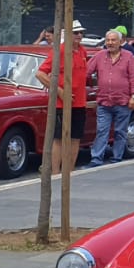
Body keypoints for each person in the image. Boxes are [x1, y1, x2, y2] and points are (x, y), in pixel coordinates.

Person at [36, 21, 89, 174]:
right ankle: (55, 172)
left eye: (81, 33)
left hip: (79, 102)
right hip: (60, 104)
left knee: (75, 137)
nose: (79, 35)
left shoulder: (83, 51)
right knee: (58, 138)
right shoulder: (59, 51)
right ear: (68, 34)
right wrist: (60, 91)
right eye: (76, 32)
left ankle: (69, 171)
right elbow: (40, 73)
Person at [87, 29, 134, 166]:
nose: (110, 43)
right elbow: (86, 72)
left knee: (120, 131)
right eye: (108, 40)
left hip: (122, 101)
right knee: (101, 131)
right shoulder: (99, 56)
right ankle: (96, 158)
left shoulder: (129, 56)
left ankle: (117, 157)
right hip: (104, 101)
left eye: (113, 40)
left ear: (120, 42)